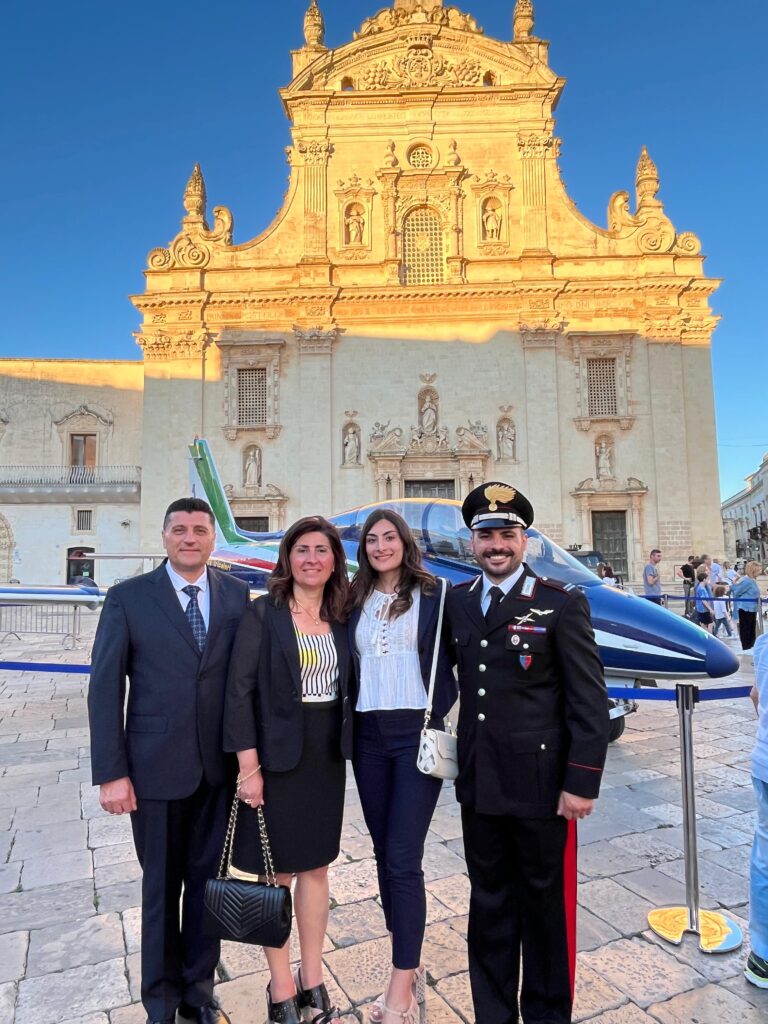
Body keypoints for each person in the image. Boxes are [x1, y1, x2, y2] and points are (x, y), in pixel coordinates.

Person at [446, 482, 609, 1024]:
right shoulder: (461, 603)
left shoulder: (561, 603)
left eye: (507, 534)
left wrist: (581, 781)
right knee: (488, 905)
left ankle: (545, 1015)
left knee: (543, 909)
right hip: (481, 784)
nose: (497, 544)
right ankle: (493, 1014)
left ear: (525, 541)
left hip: (542, 789)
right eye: (486, 535)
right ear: (472, 542)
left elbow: (588, 700)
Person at [88, 497, 250, 1024]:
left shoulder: (235, 595)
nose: (189, 538)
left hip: (217, 772)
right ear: (164, 537)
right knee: (161, 887)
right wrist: (112, 773)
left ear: (212, 538)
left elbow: (241, 683)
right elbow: (105, 688)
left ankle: (198, 993)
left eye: (200, 530)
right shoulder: (129, 598)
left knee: (208, 889)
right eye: (179, 530)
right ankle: (160, 1000)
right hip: (153, 770)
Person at [224, 517, 352, 1024]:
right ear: (287, 558)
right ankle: (279, 986)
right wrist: (248, 768)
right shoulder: (264, 614)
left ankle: (312, 976)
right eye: (302, 549)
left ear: (335, 559)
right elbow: (239, 693)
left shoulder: (344, 614)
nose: (312, 558)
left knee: (317, 868)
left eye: (322, 549)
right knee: (274, 873)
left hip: (325, 758)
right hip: (275, 760)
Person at [347, 510, 458, 1024]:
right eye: (372, 539)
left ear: (405, 542)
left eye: (389, 537)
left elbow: (467, 655)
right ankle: (406, 959)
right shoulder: (352, 597)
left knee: (401, 856)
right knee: (379, 851)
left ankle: (400, 988)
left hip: (415, 734)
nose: (380, 546)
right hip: (368, 736)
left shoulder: (436, 594)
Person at [746, 631, 768, 988]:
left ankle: (762, 953)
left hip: (765, 761)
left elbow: (755, 695)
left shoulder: (765, 643)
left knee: (765, 853)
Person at [731, 561, 763, 651]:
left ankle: (750, 646)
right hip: (745, 608)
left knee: (752, 628)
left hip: (752, 608)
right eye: (758, 570)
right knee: (746, 629)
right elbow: (737, 591)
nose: (760, 571)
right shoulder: (747, 581)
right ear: (753, 570)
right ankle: (746, 647)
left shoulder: (752, 580)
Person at [693, 569, 714, 633]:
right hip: (704, 609)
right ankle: (709, 637)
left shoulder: (701, 587)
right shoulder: (701, 588)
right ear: (704, 579)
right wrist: (710, 609)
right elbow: (704, 600)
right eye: (707, 579)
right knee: (710, 623)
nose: (708, 580)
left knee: (703, 623)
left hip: (701, 608)